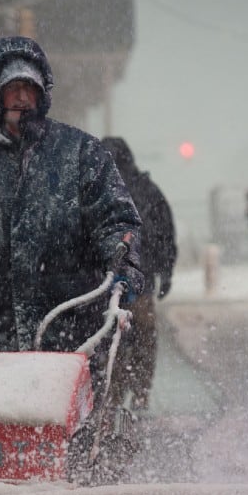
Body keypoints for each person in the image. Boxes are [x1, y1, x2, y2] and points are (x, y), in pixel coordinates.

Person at [0, 35, 144, 398]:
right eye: (12, 88)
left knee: (74, 432)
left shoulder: (81, 154)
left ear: (43, 94)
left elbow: (115, 219)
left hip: (70, 326)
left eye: (29, 89)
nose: (21, 98)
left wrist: (122, 261)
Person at [100, 136, 178, 411]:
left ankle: (115, 397)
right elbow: (165, 232)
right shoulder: (147, 190)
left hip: (103, 285)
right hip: (140, 281)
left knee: (110, 340)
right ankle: (141, 392)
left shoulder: (96, 190)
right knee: (144, 337)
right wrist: (166, 271)